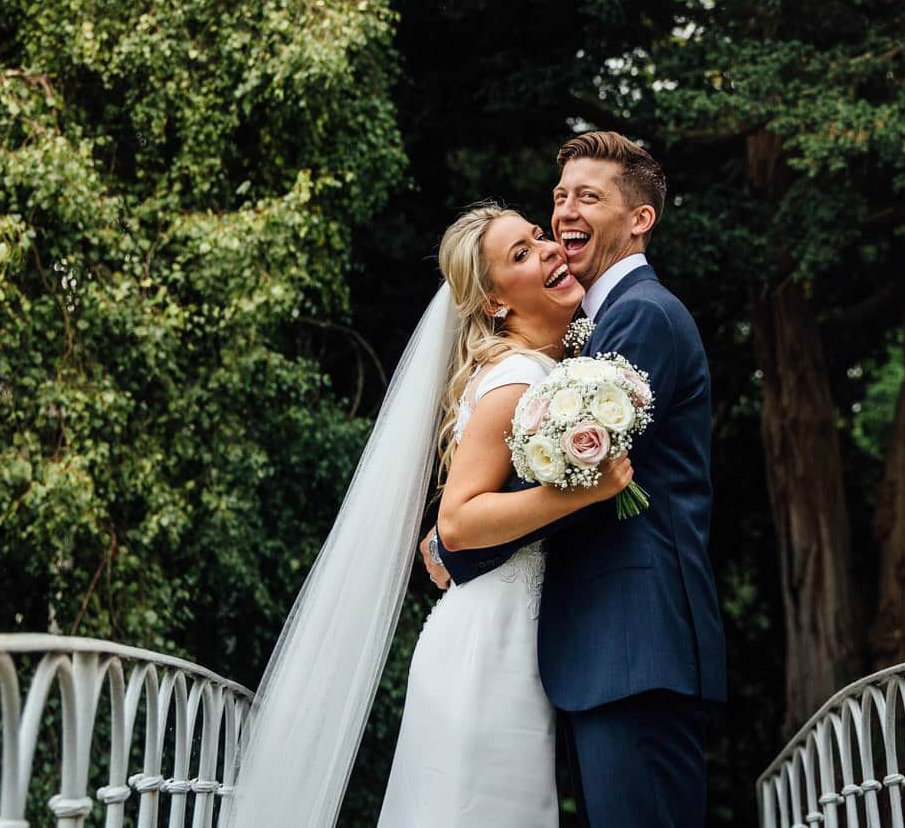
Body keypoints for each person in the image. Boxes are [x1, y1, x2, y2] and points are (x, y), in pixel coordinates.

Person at [226, 202, 629, 828]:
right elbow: (457, 524)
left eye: (538, 237)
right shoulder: (516, 377)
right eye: (520, 254)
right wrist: (585, 492)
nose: (549, 248)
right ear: (494, 302)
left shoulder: (548, 371)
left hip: (512, 642)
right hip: (484, 650)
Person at [429, 131, 728, 828]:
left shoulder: (639, 315)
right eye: (559, 195)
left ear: (639, 219)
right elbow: (570, 480)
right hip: (614, 649)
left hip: (635, 644)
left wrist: (456, 543)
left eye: (588, 196)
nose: (564, 212)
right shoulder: (591, 333)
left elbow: (583, 487)